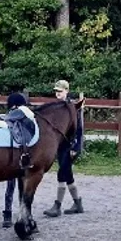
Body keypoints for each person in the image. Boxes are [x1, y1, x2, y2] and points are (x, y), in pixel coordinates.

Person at [43, 79, 84, 218]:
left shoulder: (72, 108)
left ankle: (57, 206)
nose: (57, 94)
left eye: (60, 91)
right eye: (56, 92)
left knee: (62, 173)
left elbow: (79, 129)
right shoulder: (57, 107)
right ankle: (77, 203)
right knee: (68, 175)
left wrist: (76, 147)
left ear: (66, 91)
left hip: (70, 146)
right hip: (60, 146)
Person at [1, 87, 30, 229]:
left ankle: (8, 213)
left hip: (13, 156)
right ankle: (11, 213)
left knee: (11, 186)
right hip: (14, 157)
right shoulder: (17, 119)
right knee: (13, 185)